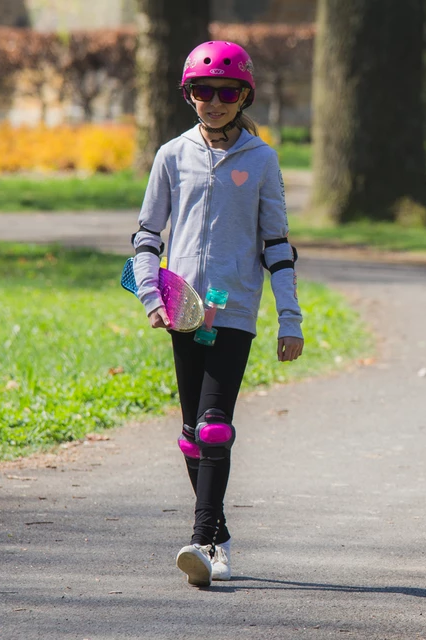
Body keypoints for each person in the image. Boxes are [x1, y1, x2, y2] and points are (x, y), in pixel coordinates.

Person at [131, 40, 304, 587]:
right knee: (191, 434)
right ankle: (221, 537)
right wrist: (151, 296)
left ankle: (200, 541)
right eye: (203, 91)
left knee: (213, 428)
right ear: (189, 95)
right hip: (183, 311)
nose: (215, 101)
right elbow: (145, 236)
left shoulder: (262, 160)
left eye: (227, 92)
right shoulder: (171, 155)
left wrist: (290, 318)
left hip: (235, 311)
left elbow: (276, 243)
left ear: (244, 95)